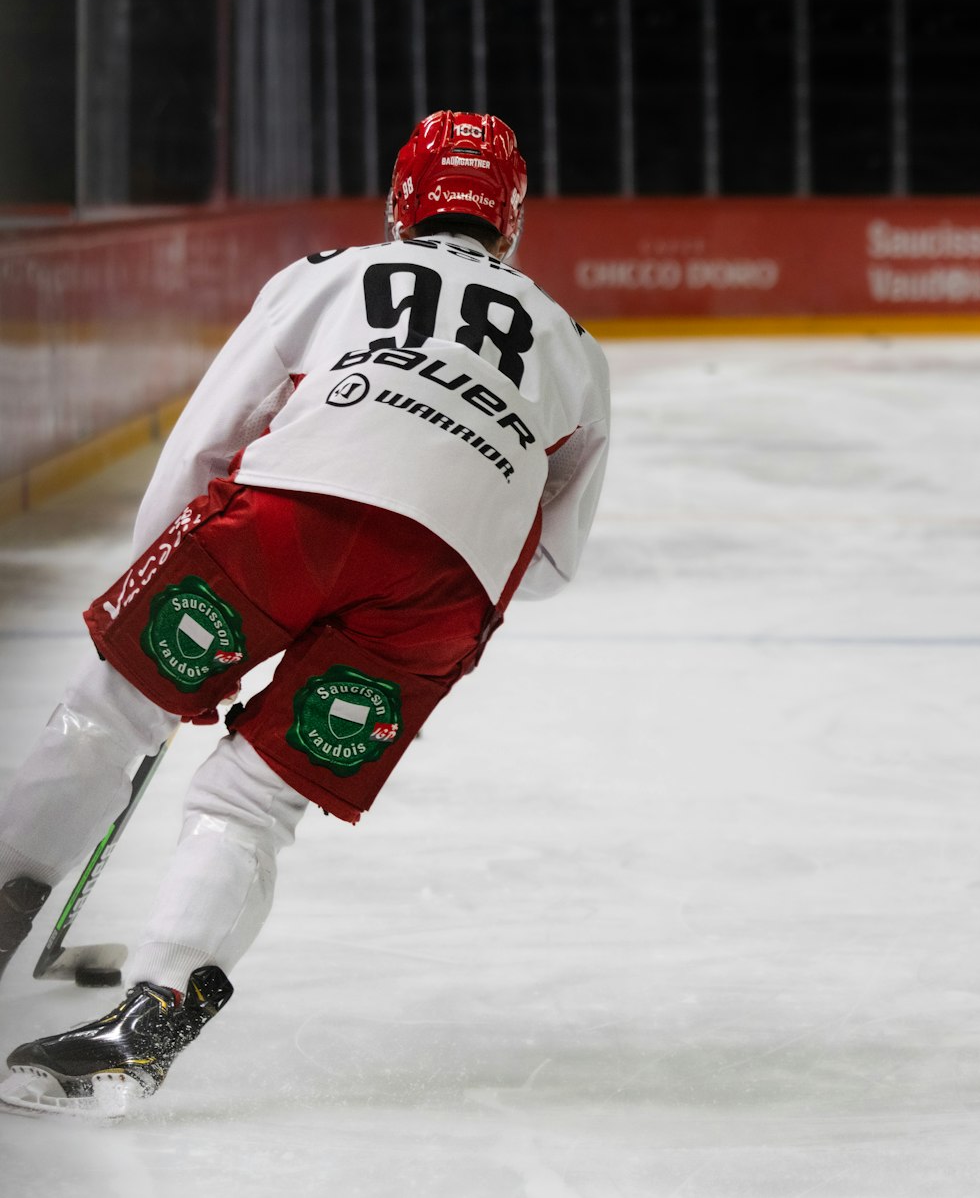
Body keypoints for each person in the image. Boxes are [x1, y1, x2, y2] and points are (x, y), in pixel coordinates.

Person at [0, 110, 610, 1117]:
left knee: (111, 713)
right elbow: (547, 562)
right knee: (253, 802)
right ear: (512, 222)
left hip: (287, 519)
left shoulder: (327, 275)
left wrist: (148, 613)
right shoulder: (575, 348)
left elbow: (206, 439)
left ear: (399, 202)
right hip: (439, 594)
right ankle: (151, 1017)